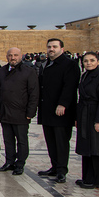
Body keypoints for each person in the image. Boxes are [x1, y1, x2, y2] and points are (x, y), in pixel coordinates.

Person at [37, 38, 80, 184]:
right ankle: (54, 166)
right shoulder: (47, 63)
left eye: (54, 47)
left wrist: (63, 104)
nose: (51, 49)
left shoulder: (70, 64)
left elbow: (70, 86)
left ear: (61, 48)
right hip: (47, 109)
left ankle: (62, 170)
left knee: (61, 141)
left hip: (61, 111)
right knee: (50, 140)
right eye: (49, 47)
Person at [0, 47, 38, 175]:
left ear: (21, 56)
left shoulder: (29, 72)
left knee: (21, 140)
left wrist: (31, 112)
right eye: (10, 55)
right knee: (8, 139)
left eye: (15, 55)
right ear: (7, 56)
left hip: (21, 113)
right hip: (5, 112)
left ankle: (20, 164)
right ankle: (9, 161)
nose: (13, 58)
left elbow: (34, 93)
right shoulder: (2, 71)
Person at [74, 51, 99, 189]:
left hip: (95, 114)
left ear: (98, 62)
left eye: (91, 60)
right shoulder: (85, 76)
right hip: (84, 114)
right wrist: (77, 118)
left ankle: (98, 179)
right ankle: (87, 177)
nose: (88, 63)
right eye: (86, 61)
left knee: (96, 148)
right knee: (86, 146)